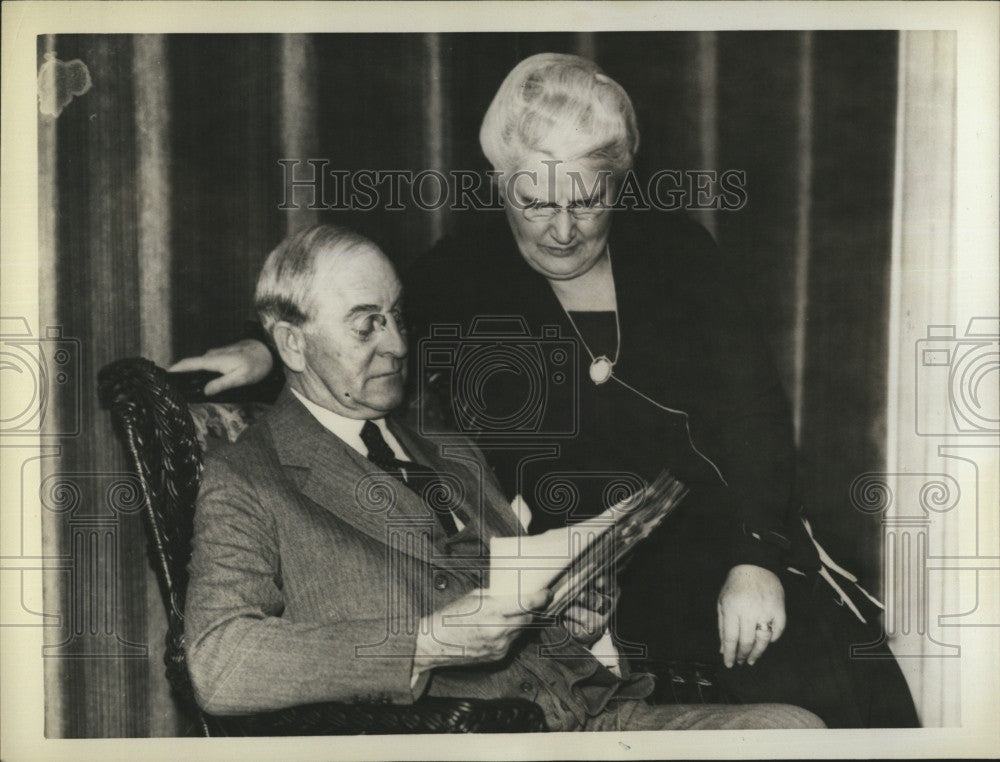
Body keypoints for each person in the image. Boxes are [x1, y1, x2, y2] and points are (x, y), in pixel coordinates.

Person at [174, 53, 918, 727]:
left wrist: (756, 558)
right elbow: (346, 313)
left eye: (587, 203)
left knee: (830, 689)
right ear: (501, 186)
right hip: (606, 574)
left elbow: (756, 414)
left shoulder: (679, 254)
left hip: (734, 542)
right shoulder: (466, 269)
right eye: (535, 205)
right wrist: (259, 347)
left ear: (618, 186)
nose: (562, 230)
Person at [183, 223, 825, 731]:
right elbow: (219, 662)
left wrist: (575, 613)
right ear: (292, 345)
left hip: (589, 717)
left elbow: (513, 604)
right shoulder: (248, 475)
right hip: (454, 734)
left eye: (398, 317)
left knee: (794, 731)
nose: (400, 346)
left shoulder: (451, 452)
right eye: (366, 325)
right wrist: (427, 642)